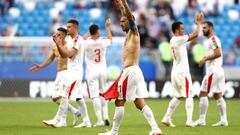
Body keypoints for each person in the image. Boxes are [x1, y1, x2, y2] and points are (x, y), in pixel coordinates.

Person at [98, 0, 162, 135]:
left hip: (130, 71)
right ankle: (155, 128)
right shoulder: (129, 34)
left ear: (130, 22)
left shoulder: (134, 32)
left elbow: (130, 17)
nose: (121, 23)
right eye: (120, 22)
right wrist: (121, 7)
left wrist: (124, 4)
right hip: (134, 71)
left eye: (123, 22)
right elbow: (127, 17)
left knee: (119, 101)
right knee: (139, 103)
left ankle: (114, 132)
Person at [29, 27, 80, 127]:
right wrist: (40, 66)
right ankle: (75, 111)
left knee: (63, 96)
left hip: (67, 72)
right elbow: (51, 58)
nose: (57, 36)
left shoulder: (68, 45)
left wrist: (59, 44)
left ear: (65, 35)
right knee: (55, 98)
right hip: (59, 73)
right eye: (56, 34)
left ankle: (62, 121)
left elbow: (65, 55)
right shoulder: (54, 46)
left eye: (59, 34)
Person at [161, 13, 204, 127]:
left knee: (178, 96)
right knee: (189, 95)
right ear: (176, 30)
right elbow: (195, 34)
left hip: (175, 71)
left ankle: (166, 117)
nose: (183, 31)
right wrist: (199, 23)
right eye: (182, 29)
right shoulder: (178, 39)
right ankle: (189, 120)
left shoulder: (174, 40)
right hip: (182, 72)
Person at [54, 19, 91, 128]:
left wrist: (59, 45)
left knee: (65, 95)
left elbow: (69, 54)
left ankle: (58, 120)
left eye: (69, 27)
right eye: (67, 26)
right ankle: (86, 121)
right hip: (71, 72)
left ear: (75, 28)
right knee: (79, 98)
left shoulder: (77, 40)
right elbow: (63, 55)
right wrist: (58, 44)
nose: (67, 29)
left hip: (75, 73)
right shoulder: (71, 40)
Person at [194, 21, 228, 127]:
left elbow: (218, 53)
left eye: (205, 28)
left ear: (211, 28)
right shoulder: (209, 40)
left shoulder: (213, 39)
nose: (203, 29)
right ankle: (224, 120)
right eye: (202, 28)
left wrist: (205, 58)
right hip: (218, 70)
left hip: (214, 70)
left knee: (203, 93)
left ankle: (201, 119)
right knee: (217, 95)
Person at [80, 18, 112, 127]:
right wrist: (107, 28)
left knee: (94, 96)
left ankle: (99, 120)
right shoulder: (103, 41)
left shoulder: (86, 43)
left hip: (91, 72)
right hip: (103, 71)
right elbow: (110, 39)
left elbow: (79, 40)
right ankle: (106, 116)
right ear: (98, 32)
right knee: (103, 94)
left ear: (90, 31)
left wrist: (89, 32)